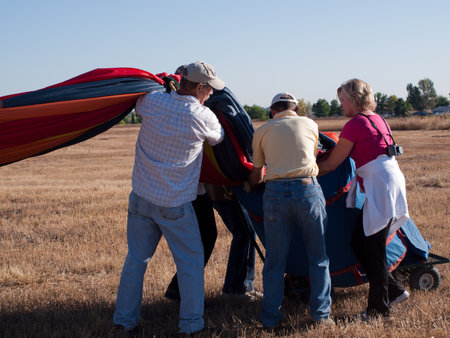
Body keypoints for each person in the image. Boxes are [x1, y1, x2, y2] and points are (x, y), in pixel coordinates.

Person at [113, 61, 225, 335]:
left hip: (140, 197)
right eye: (209, 89)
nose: (211, 94)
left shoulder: (152, 102)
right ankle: (191, 325)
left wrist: (166, 87)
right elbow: (219, 138)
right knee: (190, 263)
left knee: (136, 260)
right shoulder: (202, 117)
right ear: (199, 87)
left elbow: (140, 102)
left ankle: (124, 322)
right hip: (175, 204)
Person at [318, 79, 410, 320]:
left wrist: (302, 170)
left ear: (355, 100)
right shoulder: (378, 118)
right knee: (361, 241)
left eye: (343, 100)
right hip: (389, 180)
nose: (341, 106)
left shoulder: (355, 124)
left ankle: (378, 309)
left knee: (373, 249)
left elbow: (332, 163)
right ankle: (395, 290)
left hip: (381, 184)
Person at [249, 93, 332, 328]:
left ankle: (270, 319)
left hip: (274, 194)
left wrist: (250, 184)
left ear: (272, 111)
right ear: (295, 109)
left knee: (275, 261)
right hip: (307, 190)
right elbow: (312, 156)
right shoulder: (311, 124)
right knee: (318, 257)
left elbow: (257, 173)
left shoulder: (262, 131)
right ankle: (321, 316)